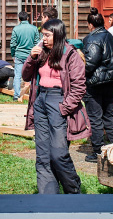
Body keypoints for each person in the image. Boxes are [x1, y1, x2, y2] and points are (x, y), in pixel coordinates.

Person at [21, 18, 90, 194]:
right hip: (41, 100)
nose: (43, 39)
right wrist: (31, 57)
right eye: (42, 35)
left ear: (57, 34)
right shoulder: (42, 52)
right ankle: (48, 196)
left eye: (47, 35)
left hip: (58, 100)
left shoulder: (70, 54)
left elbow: (79, 85)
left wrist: (64, 107)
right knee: (43, 154)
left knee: (58, 153)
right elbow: (26, 76)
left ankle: (74, 192)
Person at [81, 7, 113, 162]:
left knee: (95, 118)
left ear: (90, 24)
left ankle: (98, 151)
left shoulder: (92, 39)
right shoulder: (108, 35)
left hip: (95, 84)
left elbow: (89, 64)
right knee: (108, 116)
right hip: (109, 81)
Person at [9, 10, 38, 100]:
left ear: (19, 19)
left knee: (17, 76)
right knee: (32, 75)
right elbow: (37, 43)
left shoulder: (16, 29)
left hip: (19, 55)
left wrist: (13, 55)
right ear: (28, 18)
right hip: (31, 55)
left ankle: (16, 95)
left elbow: (12, 44)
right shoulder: (34, 28)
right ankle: (32, 94)